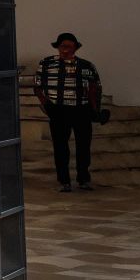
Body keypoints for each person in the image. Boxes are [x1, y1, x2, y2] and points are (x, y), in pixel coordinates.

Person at [34, 32, 101, 192]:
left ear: (75, 48)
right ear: (58, 47)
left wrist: (94, 109)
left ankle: (83, 179)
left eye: (69, 47)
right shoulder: (47, 63)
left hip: (81, 109)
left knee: (83, 146)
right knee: (60, 147)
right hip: (58, 110)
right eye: (63, 46)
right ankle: (64, 181)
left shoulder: (87, 66)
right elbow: (37, 86)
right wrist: (47, 105)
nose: (66, 50)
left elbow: (95, 87)